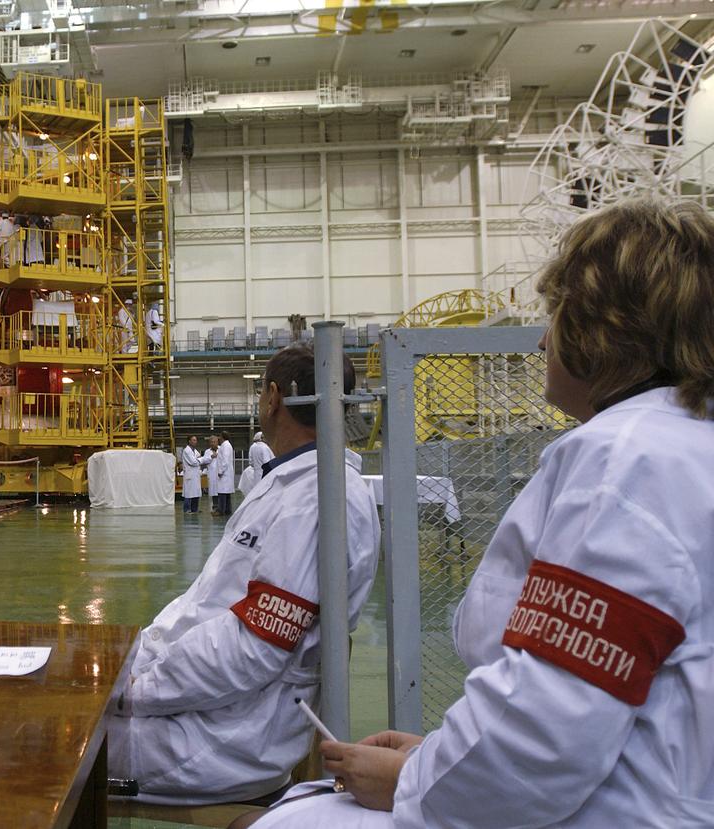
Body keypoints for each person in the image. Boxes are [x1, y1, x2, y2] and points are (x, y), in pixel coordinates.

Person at [248, 197, 714, 827]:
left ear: (604, 328)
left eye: (560, 315)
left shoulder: (625, 463)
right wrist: (440, 754)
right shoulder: (683, 446)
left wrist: (413, 781)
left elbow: (546, 734)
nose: (546, 338)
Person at [107, 344, 381, 805]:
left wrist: (136, 691)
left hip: (223, 736)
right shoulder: (289, 484)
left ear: (273, 398)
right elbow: (211, 603)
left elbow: (252, 649)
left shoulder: (317, 501)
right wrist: (138, 659)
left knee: (44, 739)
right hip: (206, 704)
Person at [238, 431, 274, 496]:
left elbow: (251, 463)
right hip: (265, 475)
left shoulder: (253, 447)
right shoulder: (265, 447)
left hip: (256, 475)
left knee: (257, 493)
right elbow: (267, 463)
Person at [180, 435, 207, 514]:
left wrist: (199, 459)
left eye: (196, 440)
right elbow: (194, 462)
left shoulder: (195, 451)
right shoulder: (187, 451)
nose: (195, 441)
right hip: (190, 475)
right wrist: (200, 460)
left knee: (196, 493)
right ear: (189, 441)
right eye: (194, 440)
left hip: (195, 475)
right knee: (188, 494)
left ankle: (194, 509)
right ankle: (187, 509)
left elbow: (200, 458)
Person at [212, 431, 236, 516]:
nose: (219, 438)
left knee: (222, 493)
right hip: (227, 473)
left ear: (222, 437)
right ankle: (227, 510)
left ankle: (221, 510)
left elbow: (225, 460)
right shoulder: (226, 445)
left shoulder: (225, 446)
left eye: (219, 436)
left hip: (224, 473)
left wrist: (220, 471)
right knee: (226, 493)